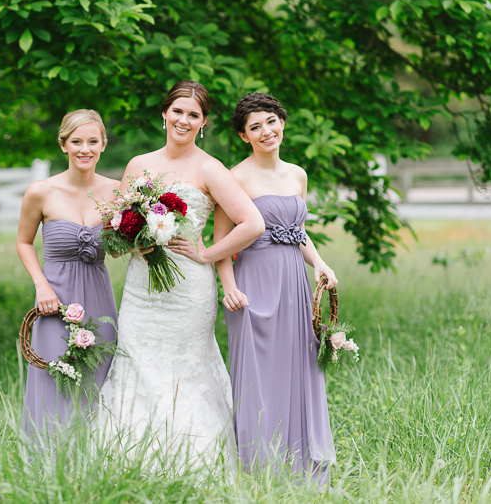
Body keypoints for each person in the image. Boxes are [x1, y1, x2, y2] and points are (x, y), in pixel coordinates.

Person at [97, 80, 265, 466]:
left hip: (188, 291)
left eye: (193, 115)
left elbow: (251, 223)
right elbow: (114, 227)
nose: (184, 120)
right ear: (164, 113)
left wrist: (206, 254)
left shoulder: (210, 168)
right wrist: (133, 239)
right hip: (141, 289)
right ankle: (129, 460)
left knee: (184, 369)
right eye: (178, 111)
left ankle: (194, 460)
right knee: (136, 360)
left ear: (203, 122)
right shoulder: (139, 164)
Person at [214, 93, 338, 486]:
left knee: (298, 366)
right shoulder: (235, 177)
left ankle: (302, 460)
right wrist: (228, 287)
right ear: (243, 135)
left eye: (271, 121)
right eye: (255, 127)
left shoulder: (297, 174)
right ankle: (258, 465)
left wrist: (318, 262)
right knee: (257, 372)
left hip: (294, 283)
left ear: (282, 122)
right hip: (253, 283)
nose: (266, 131)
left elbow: (297, 231)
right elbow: (221, 240)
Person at [17, 109, 119, 452]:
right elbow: (23, 242)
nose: (84, 149)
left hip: (100, 298)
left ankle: (95, 458)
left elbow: (121, 248)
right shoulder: (41, 192)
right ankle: (47, 458)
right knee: (54, 376)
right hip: (55, 298)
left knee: (98, 376)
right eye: (76, 141)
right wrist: (41, 285)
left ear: (103, 144)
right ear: (63, 144)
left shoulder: (117, 193)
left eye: (93, 141)